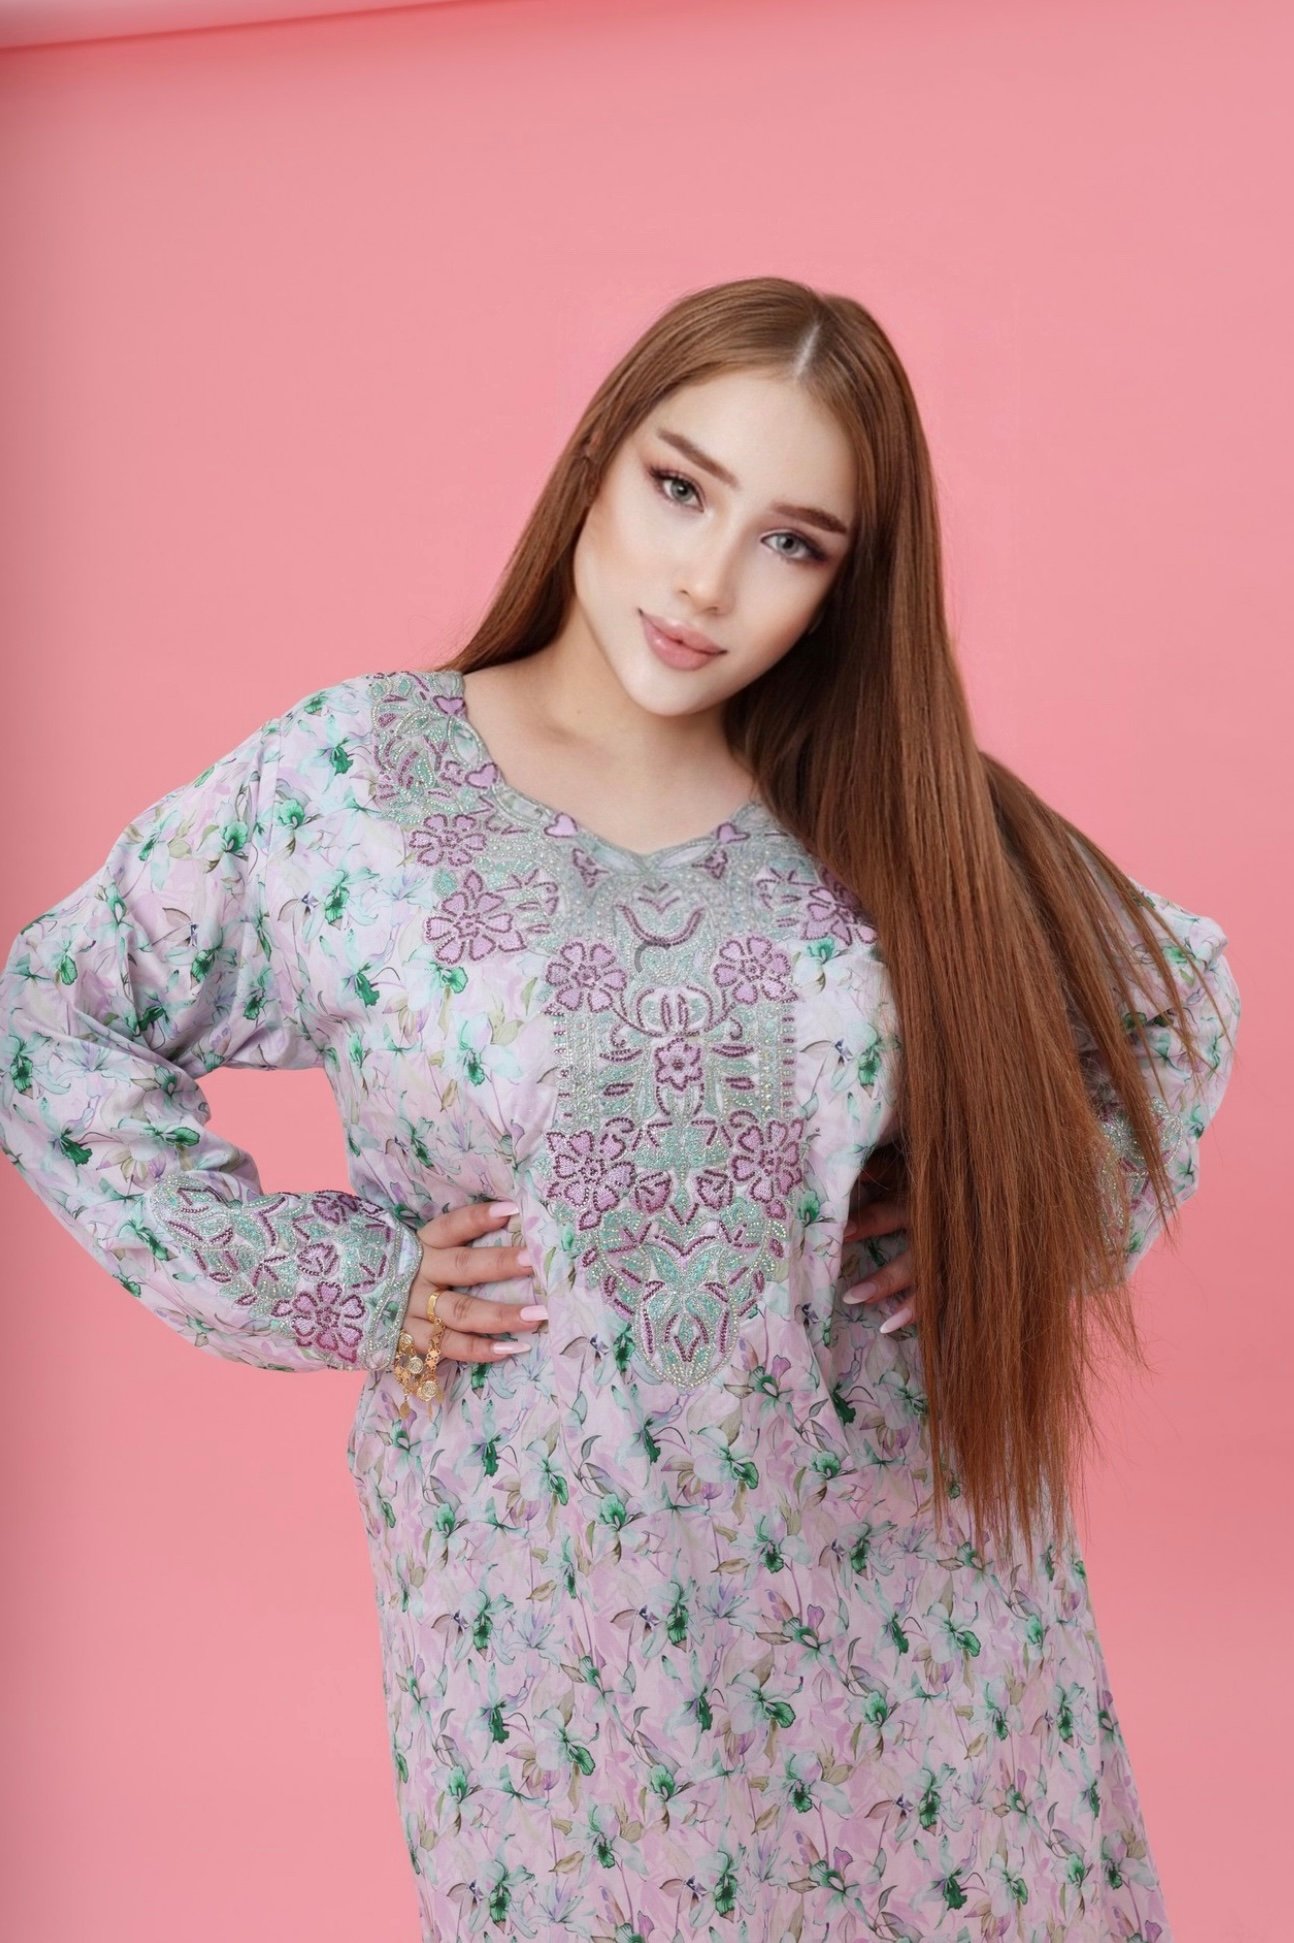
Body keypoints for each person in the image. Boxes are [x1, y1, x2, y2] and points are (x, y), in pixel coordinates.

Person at [0, 276, 1240, 1940]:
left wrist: (999, 1222)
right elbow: (55, 1016)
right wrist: (343, 1283)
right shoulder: (350, 789)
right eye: (680, 488)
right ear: (599, 459)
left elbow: (1164, 999)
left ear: (845, 586)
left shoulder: (892, 806)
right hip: (548, 1630)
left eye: (791, 543)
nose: (705, 582)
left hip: (918, 1616)